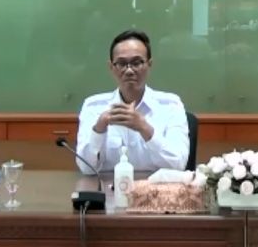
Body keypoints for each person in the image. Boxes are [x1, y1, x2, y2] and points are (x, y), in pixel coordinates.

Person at [76, 29, 189, 173]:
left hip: (155, 187)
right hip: (109, 186)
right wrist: (99, 128)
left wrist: (144, 127)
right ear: (111, 67)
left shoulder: (171, 106)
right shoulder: (93, 107)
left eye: (136, 63)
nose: (129, 71)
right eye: (121, 63)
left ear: (149, 64)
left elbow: (178, 165)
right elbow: (87, 169)